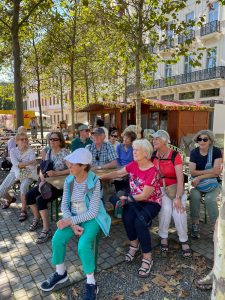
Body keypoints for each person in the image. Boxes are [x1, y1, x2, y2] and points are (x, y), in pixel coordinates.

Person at [40, 148, 111, 299]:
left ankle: (91, 282)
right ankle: (61, 273)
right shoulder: (69, 180)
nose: (69, 167)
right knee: (57, 238)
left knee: (83, 244)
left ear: (83, 166)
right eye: (69, 164)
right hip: (73, 217)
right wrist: (71, 223)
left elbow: (92, 212)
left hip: (92, 219)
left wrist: (70, 221)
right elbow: (64, 205)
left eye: (72, 164)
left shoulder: (94, 182)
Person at [101, 139, 161, 278]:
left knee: (139, 223)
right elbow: (118, 174)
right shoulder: (134, 164)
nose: (133, 152)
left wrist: (126, 199)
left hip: (151, 202)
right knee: (127, 218)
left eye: (137, 150)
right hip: (133, 199)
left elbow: (145, 195)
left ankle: (147, 257)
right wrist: (100, 177)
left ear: (146, 153)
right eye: (133, 149)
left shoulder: (153, 170)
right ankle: (134, 246)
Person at [151, 130, 191, 258]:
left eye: (157, 139)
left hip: (175, 188)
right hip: (161, 189)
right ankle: (163, 236)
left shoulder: (175, 155)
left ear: (164, 141)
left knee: (178, 211)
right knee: (166, 210)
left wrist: (178, 198)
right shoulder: (153, 155)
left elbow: (180, 179)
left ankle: (183, 239)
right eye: (153, 139)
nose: (154, 141)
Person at [26, 131, 70, 244]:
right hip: (47, 183)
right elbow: (43, 167)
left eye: (55, 139)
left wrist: (56, 173)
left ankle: (46, 229)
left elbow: (72, 170)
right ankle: (37, 218)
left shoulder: (65, 152)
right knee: (28, 195)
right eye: (51, 139)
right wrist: (41, 176)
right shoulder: (48, 151)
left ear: (60, 141)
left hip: (60, 185)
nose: (52, 141)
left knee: (41, 200)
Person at [189, 130, 222, 239]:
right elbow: (192, 172)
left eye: (205, 139)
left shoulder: (216, 152)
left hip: (213, 184)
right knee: (194, 195)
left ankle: (216, 226)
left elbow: (216, 173)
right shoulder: (194, 152)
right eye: (200, 139)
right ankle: (195, 224)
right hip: (198, 185)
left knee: (210, 199)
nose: (202, 141)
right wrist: (210, 171)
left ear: (210, 141)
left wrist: (200, 176)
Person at [0, 132, 37, 221]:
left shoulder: (31, 151)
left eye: (26, 139)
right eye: (22, 139)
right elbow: (16, 165)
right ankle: (10, 199)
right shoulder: (13, 151)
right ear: (16, 141)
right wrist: (27, 163)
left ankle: (23, 210)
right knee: (2, 189)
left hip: (29, 173)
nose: (24, 141)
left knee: (23, 187)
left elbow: (32, 166)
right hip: (15, 172)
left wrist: (22, 165)